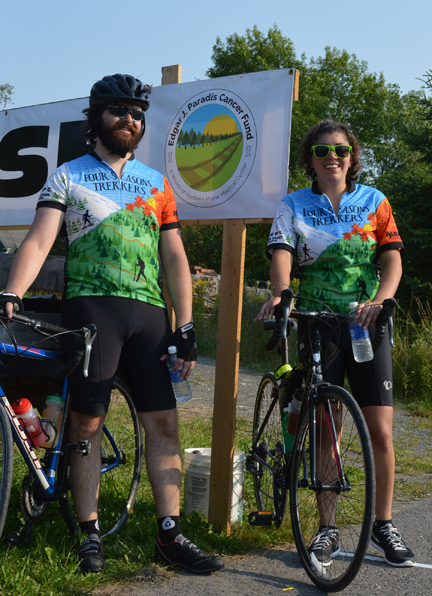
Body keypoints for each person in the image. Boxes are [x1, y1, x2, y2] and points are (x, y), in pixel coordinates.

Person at [0, 74, 224, 575]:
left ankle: (170, 534)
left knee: (164, 423)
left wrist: (184, 324)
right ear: (96, 118)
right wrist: (14, 290)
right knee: (87, 423)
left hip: (148, 314)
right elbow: (38, 242)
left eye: (138, 113)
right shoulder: (68, 174)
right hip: (91, 309)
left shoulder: (155, 184)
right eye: (120, 110)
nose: (130, 119)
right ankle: (89, 532)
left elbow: (174, 258)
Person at [255, 120, 414, 568]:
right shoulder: (293, 204)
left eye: (341, 150)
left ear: (352, 157)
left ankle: (383, 523)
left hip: (366, 323)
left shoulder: (374, 201)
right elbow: (282, 253)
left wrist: (381, 301)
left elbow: (392, 260)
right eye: (322, 150)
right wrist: (281, 292)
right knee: (328, 427)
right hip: (318, 322)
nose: (333, 157)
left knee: (380, 431)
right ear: (310, 159)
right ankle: (327, 528)